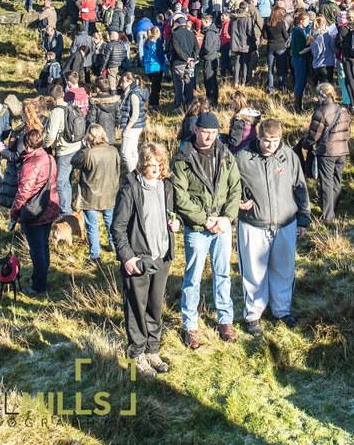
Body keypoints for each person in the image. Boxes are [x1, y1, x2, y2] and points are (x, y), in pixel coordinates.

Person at [171, 112, 242, 349]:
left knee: (222, 274)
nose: (209, 137)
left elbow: (235, 188)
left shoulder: (225, 154)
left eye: (213, 133)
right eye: (205, 132)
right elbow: (180, 196)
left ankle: (225, 320)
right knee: (193, 278)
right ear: (196, 130)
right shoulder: (183, 158)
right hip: (197, 229)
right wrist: (205, 220)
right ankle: (190, 326)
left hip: (221, 227)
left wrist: (227, 218)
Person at [235, 119, 310, 337]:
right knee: (253, 272)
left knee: (284, 270)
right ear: (258, 137)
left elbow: (300, 187)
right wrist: (238, 201)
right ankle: (253, 314)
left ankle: (281, 310)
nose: (271, 145)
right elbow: (229, 186)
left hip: (285, 223)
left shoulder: (289, 157)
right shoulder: (241, 158)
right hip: (253, 224)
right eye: (267, 141)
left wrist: (303, 218)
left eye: (275, 141)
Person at [112, 142, 180, 375]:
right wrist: (127, 258)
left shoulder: (167, 186)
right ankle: (136, 354)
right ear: (142, 165)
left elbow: (174, 214)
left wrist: (176, 223)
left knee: (155, 306)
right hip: (138, 260)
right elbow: (118, 227)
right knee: (135, 308)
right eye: (151, 165)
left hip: (162, 257)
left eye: (159, 165)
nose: (155, 170)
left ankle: (152, 350)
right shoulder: (130, 189)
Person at [10, 128, 60, 296]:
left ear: (27, 144)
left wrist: (14, 211)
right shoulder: (50, 158)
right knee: (44, 245)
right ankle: (42, 277)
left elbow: (24, 192)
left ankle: (39, 285)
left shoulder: (31, 164)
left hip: (34, 211)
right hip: (49, 207)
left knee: (36, 249)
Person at [301, 82, 351, 224]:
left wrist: (304, 144)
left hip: (327, 152)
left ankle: (328, 216)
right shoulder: (343, 110)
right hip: (342, 151)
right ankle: (334, 209)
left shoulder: (320, 111)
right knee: (337, 180)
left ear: (321, 95)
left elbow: (313, 136)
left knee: (326, 183)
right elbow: (348, 132)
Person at [71, 123, 121, 262]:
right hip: (110, 193)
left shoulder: (87, 153)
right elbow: (118, 169)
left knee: (92, 226)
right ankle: (115, 246)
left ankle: (95, 255)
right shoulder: (113, 151)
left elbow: (73, 161)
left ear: (89, 137)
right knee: (111, 222)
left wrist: (82, 147)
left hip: (90, 196)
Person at [43, 87, 85, 215]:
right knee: (69, 179)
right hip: (77, 148)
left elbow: (51, 136)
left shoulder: (56, 112)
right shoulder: (71, 106)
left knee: (61, 182)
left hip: (64, 151)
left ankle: (65, 212)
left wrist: (44, 146)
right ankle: (72, 203)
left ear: (52, 98)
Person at [168, 13, 199, 111]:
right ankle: (189, 105)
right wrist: (192, 58)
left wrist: (186, 58)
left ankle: (179, 106)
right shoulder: (191, 34)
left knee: (178, 85)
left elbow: (177, 49)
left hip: (179, 62)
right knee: (189, 84)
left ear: (176, 24)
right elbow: (196, 47)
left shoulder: (175, 35)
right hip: (190, 63)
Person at [119, 72, 148, 173]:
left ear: (130, 82)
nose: (121, 85)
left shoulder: (133, 95)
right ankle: (138, 171)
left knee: (125, 153)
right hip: (136, 127)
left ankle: (133, 174)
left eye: (123, 82)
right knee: (132, 152)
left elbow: (135, 115)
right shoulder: (130, 93)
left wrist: (126, 128)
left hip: (133, 127)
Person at [264, 5, 290, 94]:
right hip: (280, 47)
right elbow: (286, 36)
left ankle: (270, 87)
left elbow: (265, 36)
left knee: (270, 69)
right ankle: (282, 86)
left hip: (270, 47)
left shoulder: (267, 22)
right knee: (281, 68)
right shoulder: (281, 23)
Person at [142, 26, 166, 111]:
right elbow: (161, 56)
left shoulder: (146, 42)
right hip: (156, 67)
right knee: (156, 87)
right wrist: (165, 67)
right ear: (158, 33)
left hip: (148, 68)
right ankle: (153, 104)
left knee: (153, 85)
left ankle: (153, 103)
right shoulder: (157, 43)